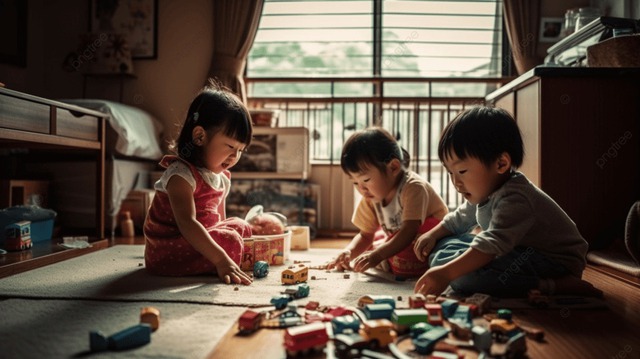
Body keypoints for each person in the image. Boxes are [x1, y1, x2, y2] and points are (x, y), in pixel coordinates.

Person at [413, 106, 602, 297]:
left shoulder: (516, 197)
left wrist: (446, 273)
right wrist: (433, 235)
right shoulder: (487, 188)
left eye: (461, 171)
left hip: (552, 261)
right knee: (443, 247)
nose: (455, 182)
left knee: (463, 278)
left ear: (501, 163)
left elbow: (491, 244)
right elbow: (460, 218)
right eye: (450, 173)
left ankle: (553, 285)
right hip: (512, 250)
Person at [143, 80, 253, 285]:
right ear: (200, 136)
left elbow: (221, 220)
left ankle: (224, 259)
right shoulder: (181, 175)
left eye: (240, 150)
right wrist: (221, 258)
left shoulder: (222, 177)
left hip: (198, 242)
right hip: (169, 249)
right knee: (230, 240)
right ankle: (222, 262)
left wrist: (224, 239)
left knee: (240, 225)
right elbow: (187, 223)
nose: (234, 156)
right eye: (230, 146)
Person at [326, 127, 449, 277]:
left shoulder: (413, 187)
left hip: (433, 238)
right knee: (376, 244)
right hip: (403, 240)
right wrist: (348, 252)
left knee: (399, 252)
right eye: (355, 183)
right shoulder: (371, 197)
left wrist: (377, 255)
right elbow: (365, 235)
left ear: (393, 167)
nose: (361, 189)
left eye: (366, 180)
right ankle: (387, 253)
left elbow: (409, 231)